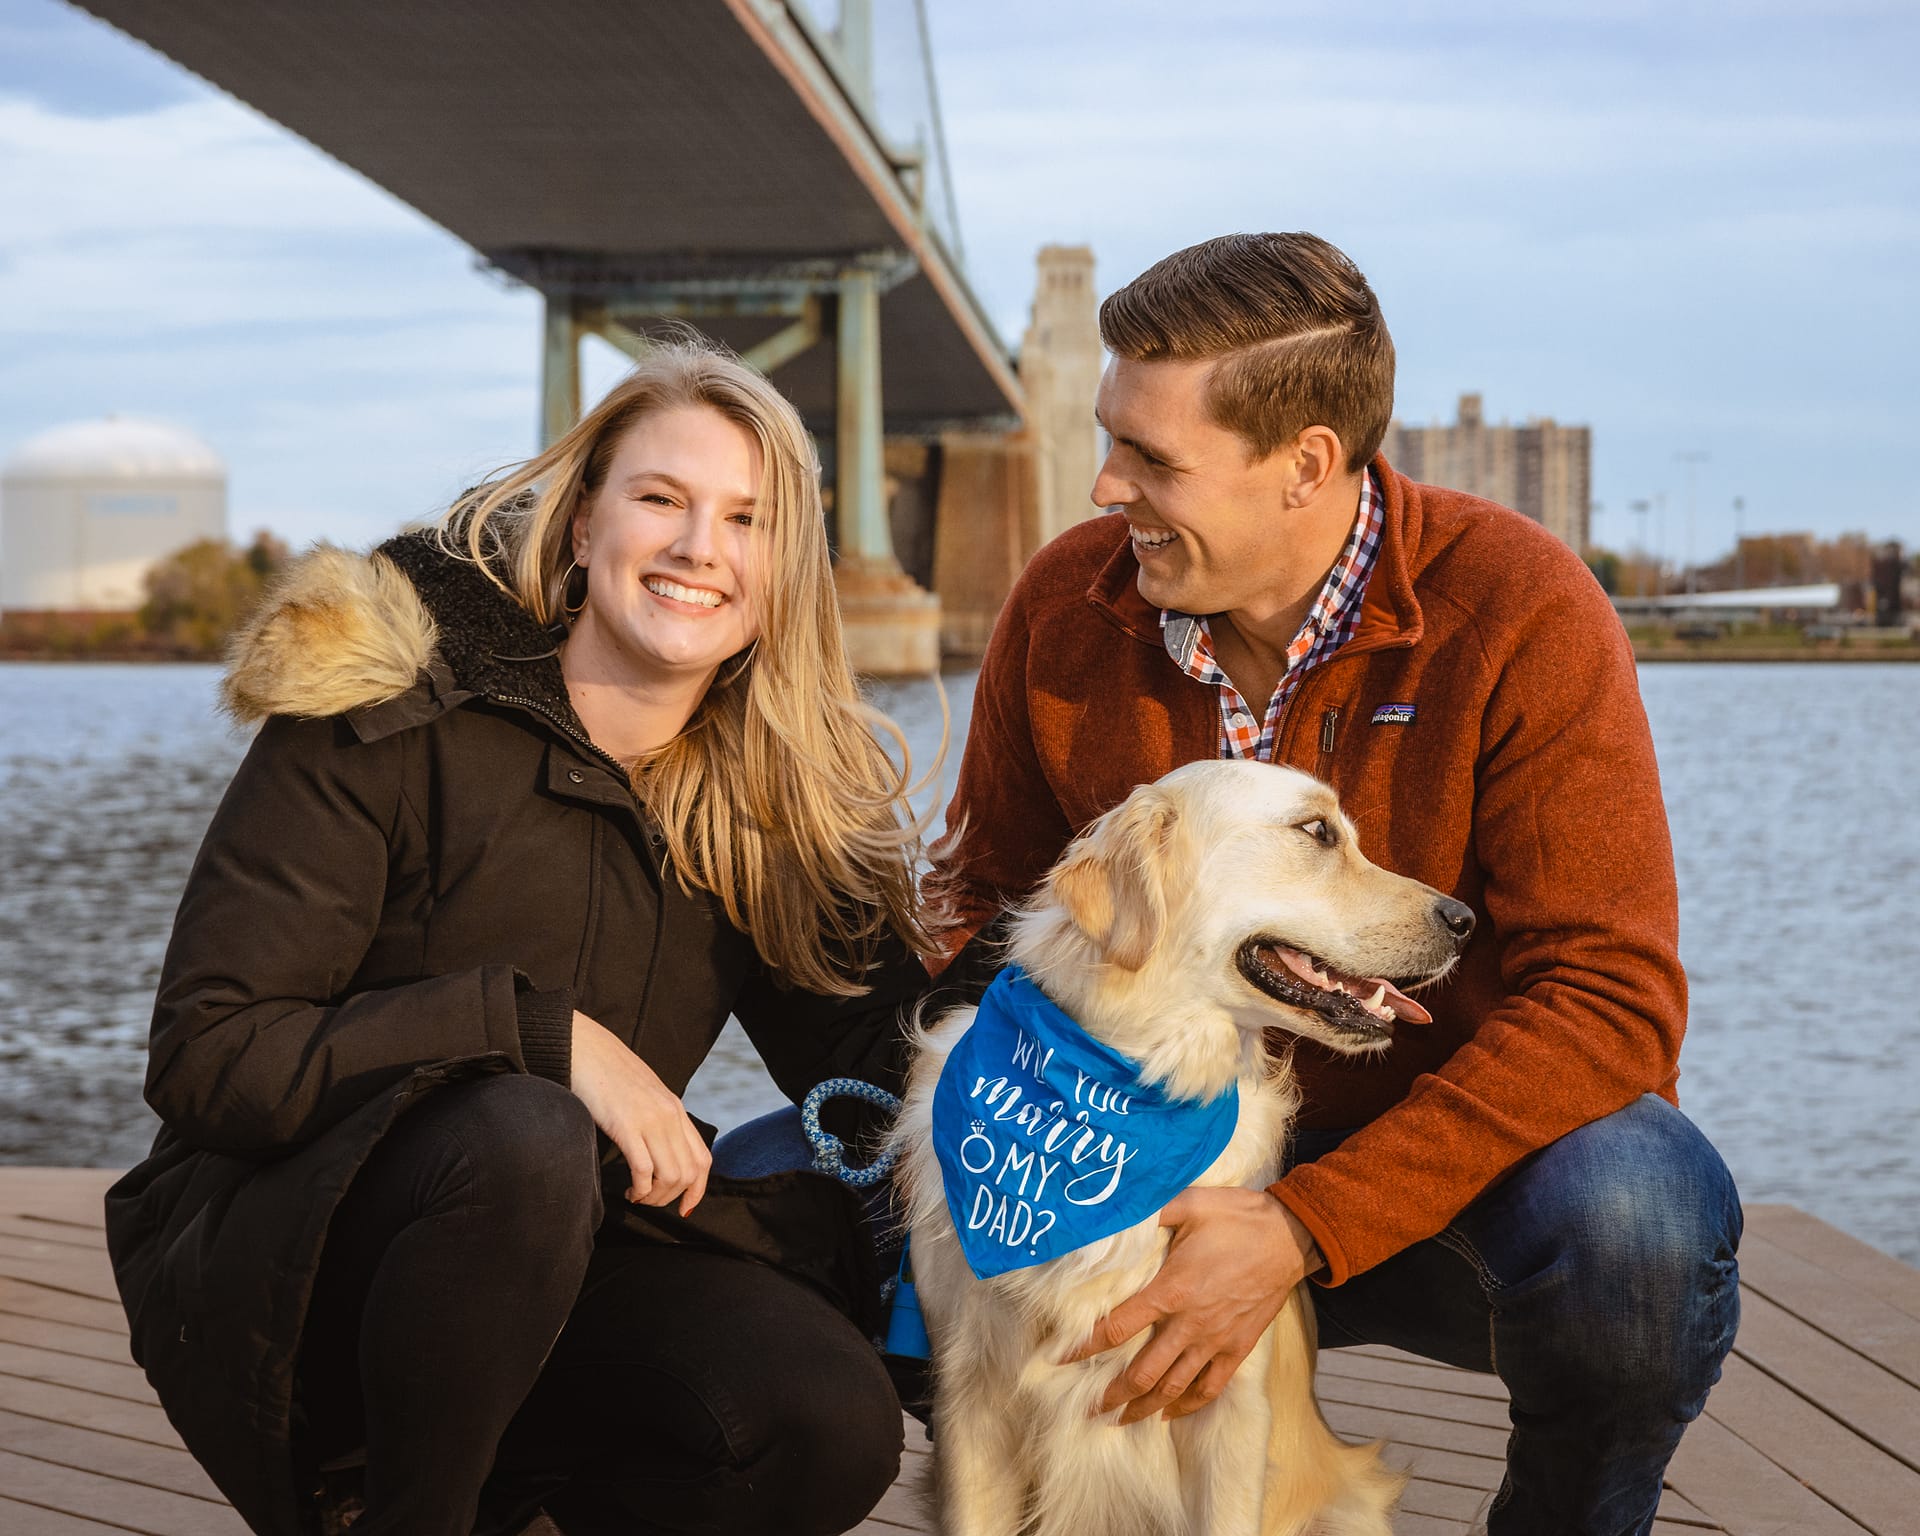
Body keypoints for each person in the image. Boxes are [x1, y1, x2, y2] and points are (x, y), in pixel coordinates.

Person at [931, 232, 1742, 1535]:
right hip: (1121, 1161)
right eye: (1110, 439)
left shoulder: (1522, 605)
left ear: (1306, 463)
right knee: (836, 1200)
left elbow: (1614, 996)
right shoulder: (1065, 606)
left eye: (1152, 459)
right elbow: (976, 906)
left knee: (1636, 1225)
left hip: (1429, 1174)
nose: (1104, 484)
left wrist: (1303, 1224)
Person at [104, 341, 936, 1536]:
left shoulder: (772, 800)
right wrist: (541, 1034)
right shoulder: (392, 712)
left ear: (785, 570)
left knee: (822, 1421)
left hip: (564, 1253)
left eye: (748, 519)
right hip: (282, 1273)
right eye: (662, 499)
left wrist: (1096, 1049)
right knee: (525, 1129)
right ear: (586, 519)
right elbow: (208, 1060)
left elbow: (891, 1062)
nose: (702, 547)